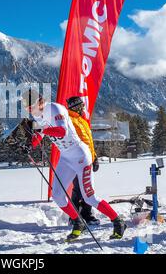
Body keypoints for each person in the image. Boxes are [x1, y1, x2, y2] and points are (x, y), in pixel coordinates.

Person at [22, 90, 126, 241]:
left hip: (80, 156)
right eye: (28, 109)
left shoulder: (55, 109)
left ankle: (118, 221)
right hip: (66, 158)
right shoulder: (38, 115)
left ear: (39, 101)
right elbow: (40, 135)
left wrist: (40, 129)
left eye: (31, 107)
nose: (31, 111)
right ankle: (78, 222)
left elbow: (62, 132)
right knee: (57, 195)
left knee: (89, 197)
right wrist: (30, 145)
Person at [66, 96, 100, 227]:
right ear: (76, 106)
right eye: (81, 106)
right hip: (77, 161)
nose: (83, 108)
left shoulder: (82, 120)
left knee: (88, 189)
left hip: (88, 160)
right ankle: (74, 217)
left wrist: (94, 157)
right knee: (78, 190)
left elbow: (88, 142)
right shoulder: (70, 121)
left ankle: (87, 214)